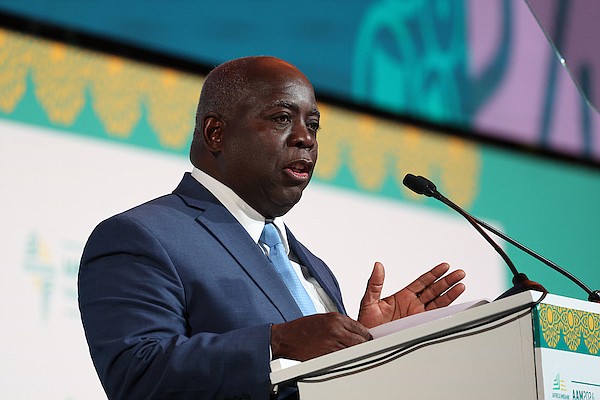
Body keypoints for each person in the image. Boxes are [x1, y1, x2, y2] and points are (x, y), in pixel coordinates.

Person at [78, 56, 466, 400]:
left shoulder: (312, 265)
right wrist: (275, 342)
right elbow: (137, 374)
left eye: (313, 125)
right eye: (282, 119)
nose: (305, 138)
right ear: (216, 133)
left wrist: (367, 345)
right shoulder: (141, 237)